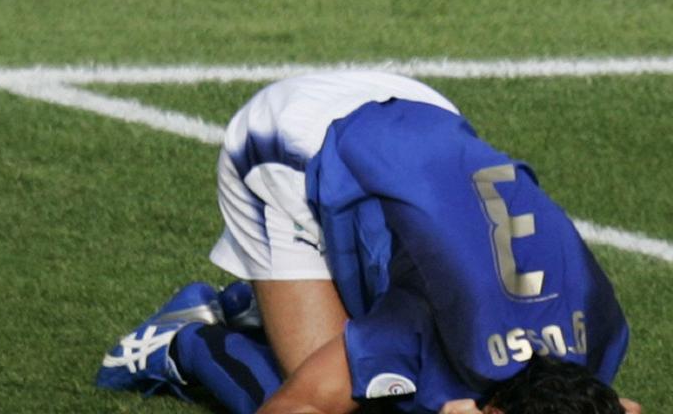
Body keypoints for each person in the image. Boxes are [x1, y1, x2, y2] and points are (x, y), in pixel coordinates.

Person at [95, 71, 636, 414]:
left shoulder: (602, 337)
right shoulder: (431, 323)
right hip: (291, 144)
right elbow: (304, 403)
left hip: (420, 112)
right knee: (358, 399)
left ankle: (264, 305)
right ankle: (184, 343)